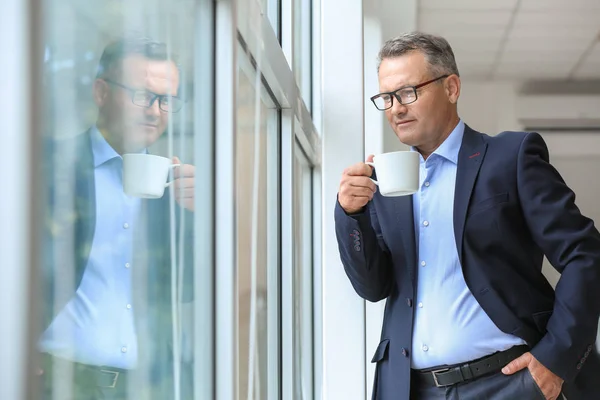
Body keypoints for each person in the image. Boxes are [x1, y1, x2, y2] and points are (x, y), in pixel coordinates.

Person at [335, 32, 600, 400]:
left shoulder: (511, 157)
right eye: (388, 97)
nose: (396, 107)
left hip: (510, 383)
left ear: (452, 88)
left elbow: (584, 254)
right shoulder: (385, 183)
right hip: (412, 390)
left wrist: (556, 359)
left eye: (409, 92)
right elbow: (373, 286)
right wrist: (351, 214)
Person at [38, 35, 195, 399]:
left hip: (147, 386)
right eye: (142, 95)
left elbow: (186, 288)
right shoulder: (50, 168)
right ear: (101, 92)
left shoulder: (173, 183)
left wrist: (197, 218)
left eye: (167, 100)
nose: (154, 110)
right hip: (59, 380)